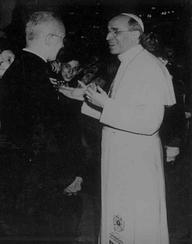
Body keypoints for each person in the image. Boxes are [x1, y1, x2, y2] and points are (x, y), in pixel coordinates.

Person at [83, 13, 175, 243]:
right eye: (108, 30)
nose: (107, 36)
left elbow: (149, 122)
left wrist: (104, 104)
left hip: (135, 163)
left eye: (115, 31)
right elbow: (121, 113)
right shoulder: (128, 63)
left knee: (135, 224)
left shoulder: (148, 67)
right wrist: (84, 101)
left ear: (135, 35)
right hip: (120, 159)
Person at [0, 11, 82, 218]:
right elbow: (43, 132)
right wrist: (66, 176)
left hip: (20, 170)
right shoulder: (36, 73)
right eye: (62, 39)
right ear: (50, 38)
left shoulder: (22, 67)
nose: (63, 46)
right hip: (35, 177)